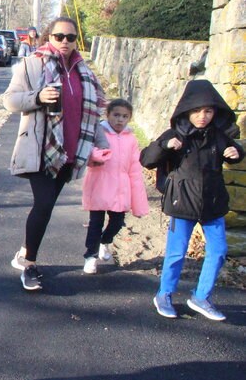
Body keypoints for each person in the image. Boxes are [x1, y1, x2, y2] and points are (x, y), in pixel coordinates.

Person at [3, 16, 107, 291]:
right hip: (41, 149)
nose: (64, 42)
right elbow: (10, 101)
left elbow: (93, 114)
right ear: (49, 37)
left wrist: (101, 144)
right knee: (44, 205)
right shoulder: (32, 64)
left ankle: (24, 251)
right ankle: (30, 265)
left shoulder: (83, 71)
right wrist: (37, 97)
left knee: (46, 206)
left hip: (70, 150)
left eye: (70, 37)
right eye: (59, 36)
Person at [140, 79, 243, 321]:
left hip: (213, 203)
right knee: (176, 254)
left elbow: (234, 152)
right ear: (187, 111)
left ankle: (201, 297)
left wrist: (236, 153)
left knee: (218, 252)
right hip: (182, 202)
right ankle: (164, 294)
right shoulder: (175, 134)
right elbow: (147, 159)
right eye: (197, 111)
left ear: (215, 111)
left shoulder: (219, 135)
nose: (202, 116)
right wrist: (164, 145)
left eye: (208, 111)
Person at [80, 99, 149, 274]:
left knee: (117, 222)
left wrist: (138, 198)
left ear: (129, 118)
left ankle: (105, 240)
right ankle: (91, 255)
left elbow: (134, 168)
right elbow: (85, 155)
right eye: (116, 115)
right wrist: (96, 155)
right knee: (95, 222)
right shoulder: (98, 132)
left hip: (121, 188)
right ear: (108, 115)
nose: (120, 120)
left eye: (125, 116)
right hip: (99, 184)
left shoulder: (131, 139)